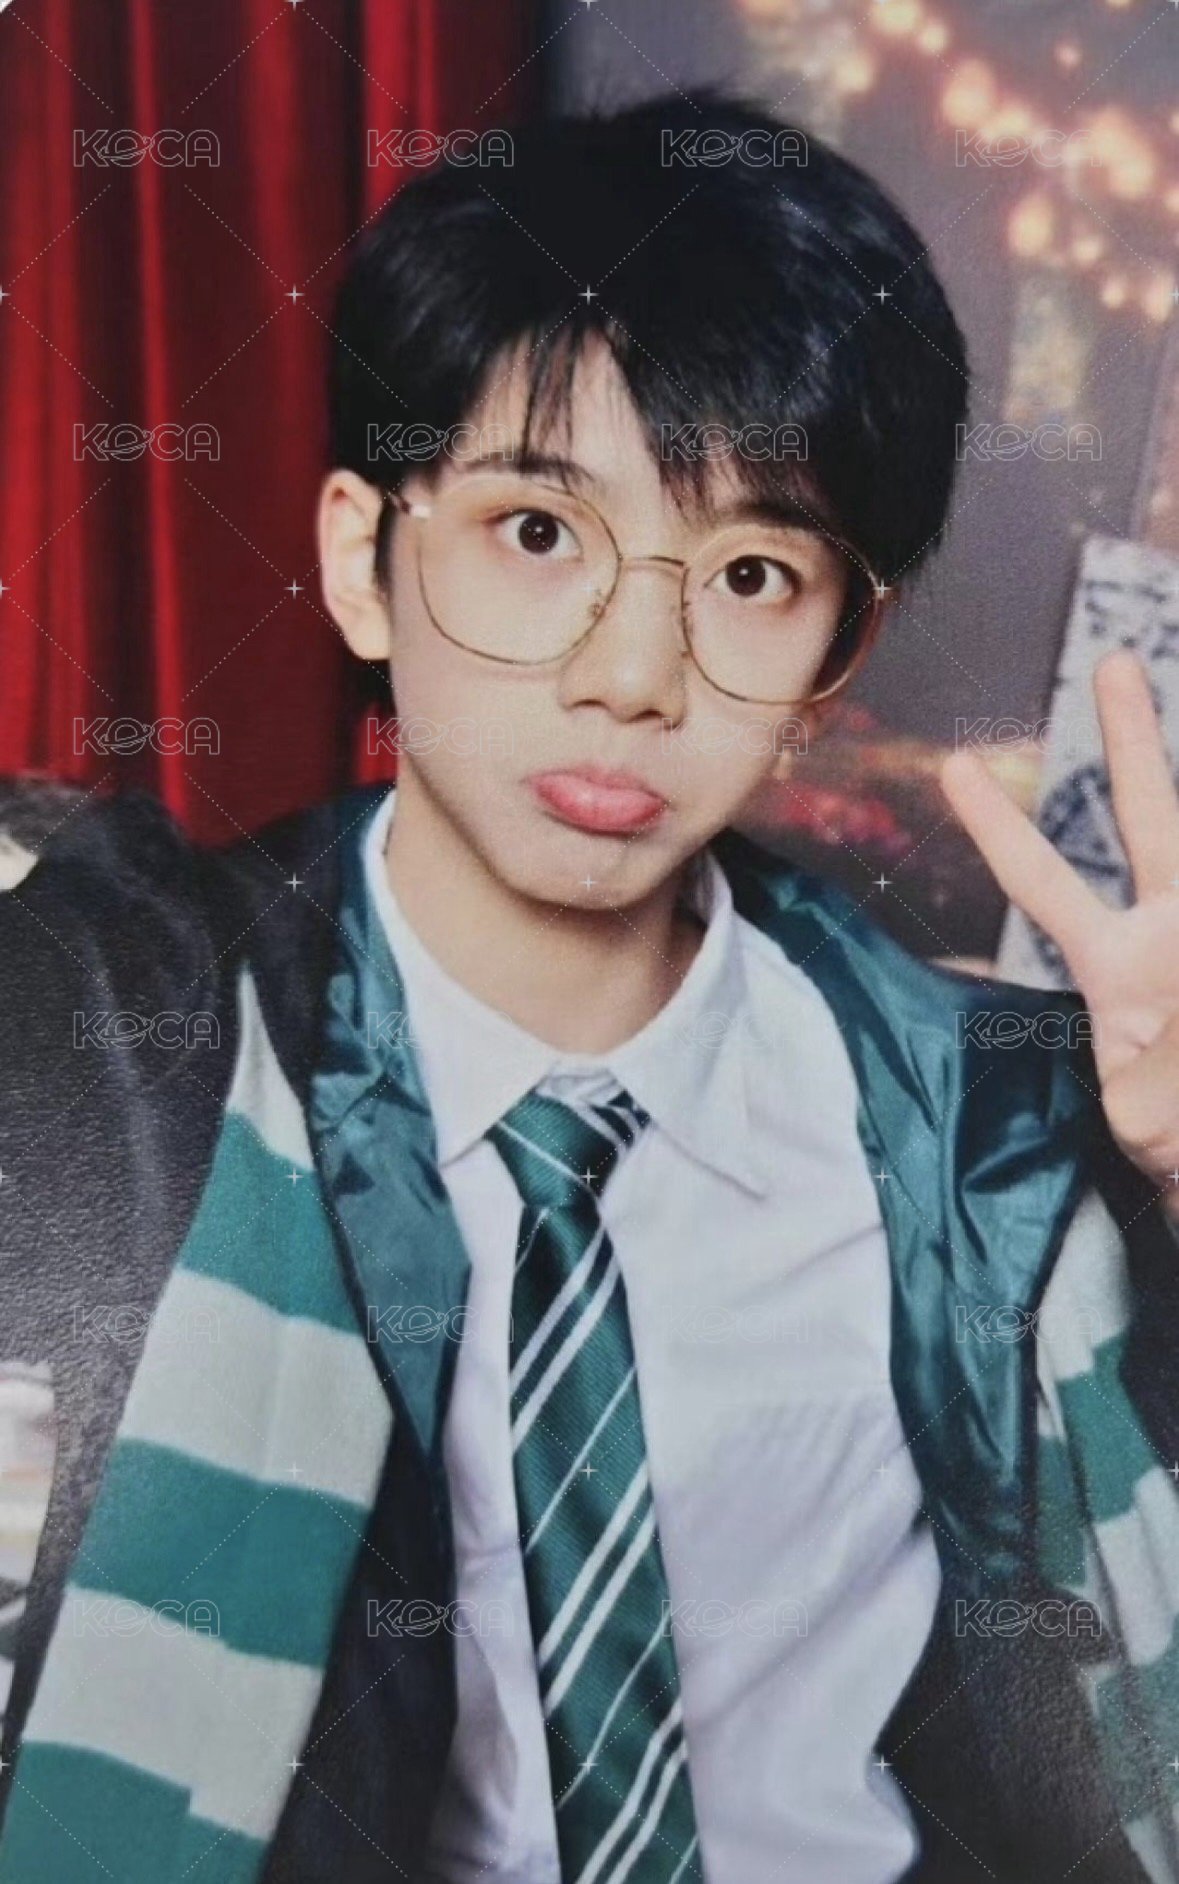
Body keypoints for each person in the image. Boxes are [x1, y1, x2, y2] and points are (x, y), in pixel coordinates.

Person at [2, 88, 1179, 1884]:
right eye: (539, 534)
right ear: (362, 560)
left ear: (835, 657)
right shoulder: (137, 1041)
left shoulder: (981, 1139)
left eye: (752, 572)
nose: (634, 672)